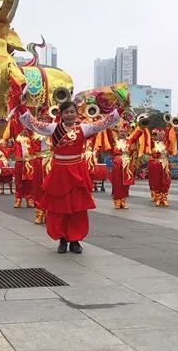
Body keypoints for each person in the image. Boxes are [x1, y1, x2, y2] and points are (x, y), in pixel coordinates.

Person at [18, 100, 120, 254]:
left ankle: (75, 240)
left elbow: (103, 123)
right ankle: (62, 240)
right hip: (59, 172)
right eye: (66, 112)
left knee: (77, 207)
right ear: (61, 114)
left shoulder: (83, 129)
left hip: (77, 172)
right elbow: (34, 124)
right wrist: (21, 107)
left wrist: (119, 109)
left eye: (72, 111)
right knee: (60, 207)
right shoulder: (54, 128)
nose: (70, 114)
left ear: (76, 113)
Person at [109, 120, 135, 209]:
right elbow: (108, 133)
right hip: (117, 163)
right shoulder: (113, 141)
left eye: (124, 132)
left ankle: (123, 201)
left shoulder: (129, 141)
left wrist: (141, 127)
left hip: (127, 164)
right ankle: (117, 201)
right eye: (121, 131)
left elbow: (137, 134)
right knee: (117, 183)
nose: (123, 133)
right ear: (117, 133)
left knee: (125, 184)